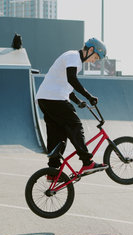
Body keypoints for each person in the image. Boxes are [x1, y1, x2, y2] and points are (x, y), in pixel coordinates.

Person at [36, 37, 108, 175]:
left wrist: (78, 101)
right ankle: (87, 162)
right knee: (75, 125)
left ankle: (53, 171)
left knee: (58, 135)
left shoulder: (73, 62)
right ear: (91, 50)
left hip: (46, 99)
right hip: (54, 99)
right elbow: (72, 79)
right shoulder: (73, 56)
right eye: (96, 57)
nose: (94, 61)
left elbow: (67, 87)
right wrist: (89, 96)